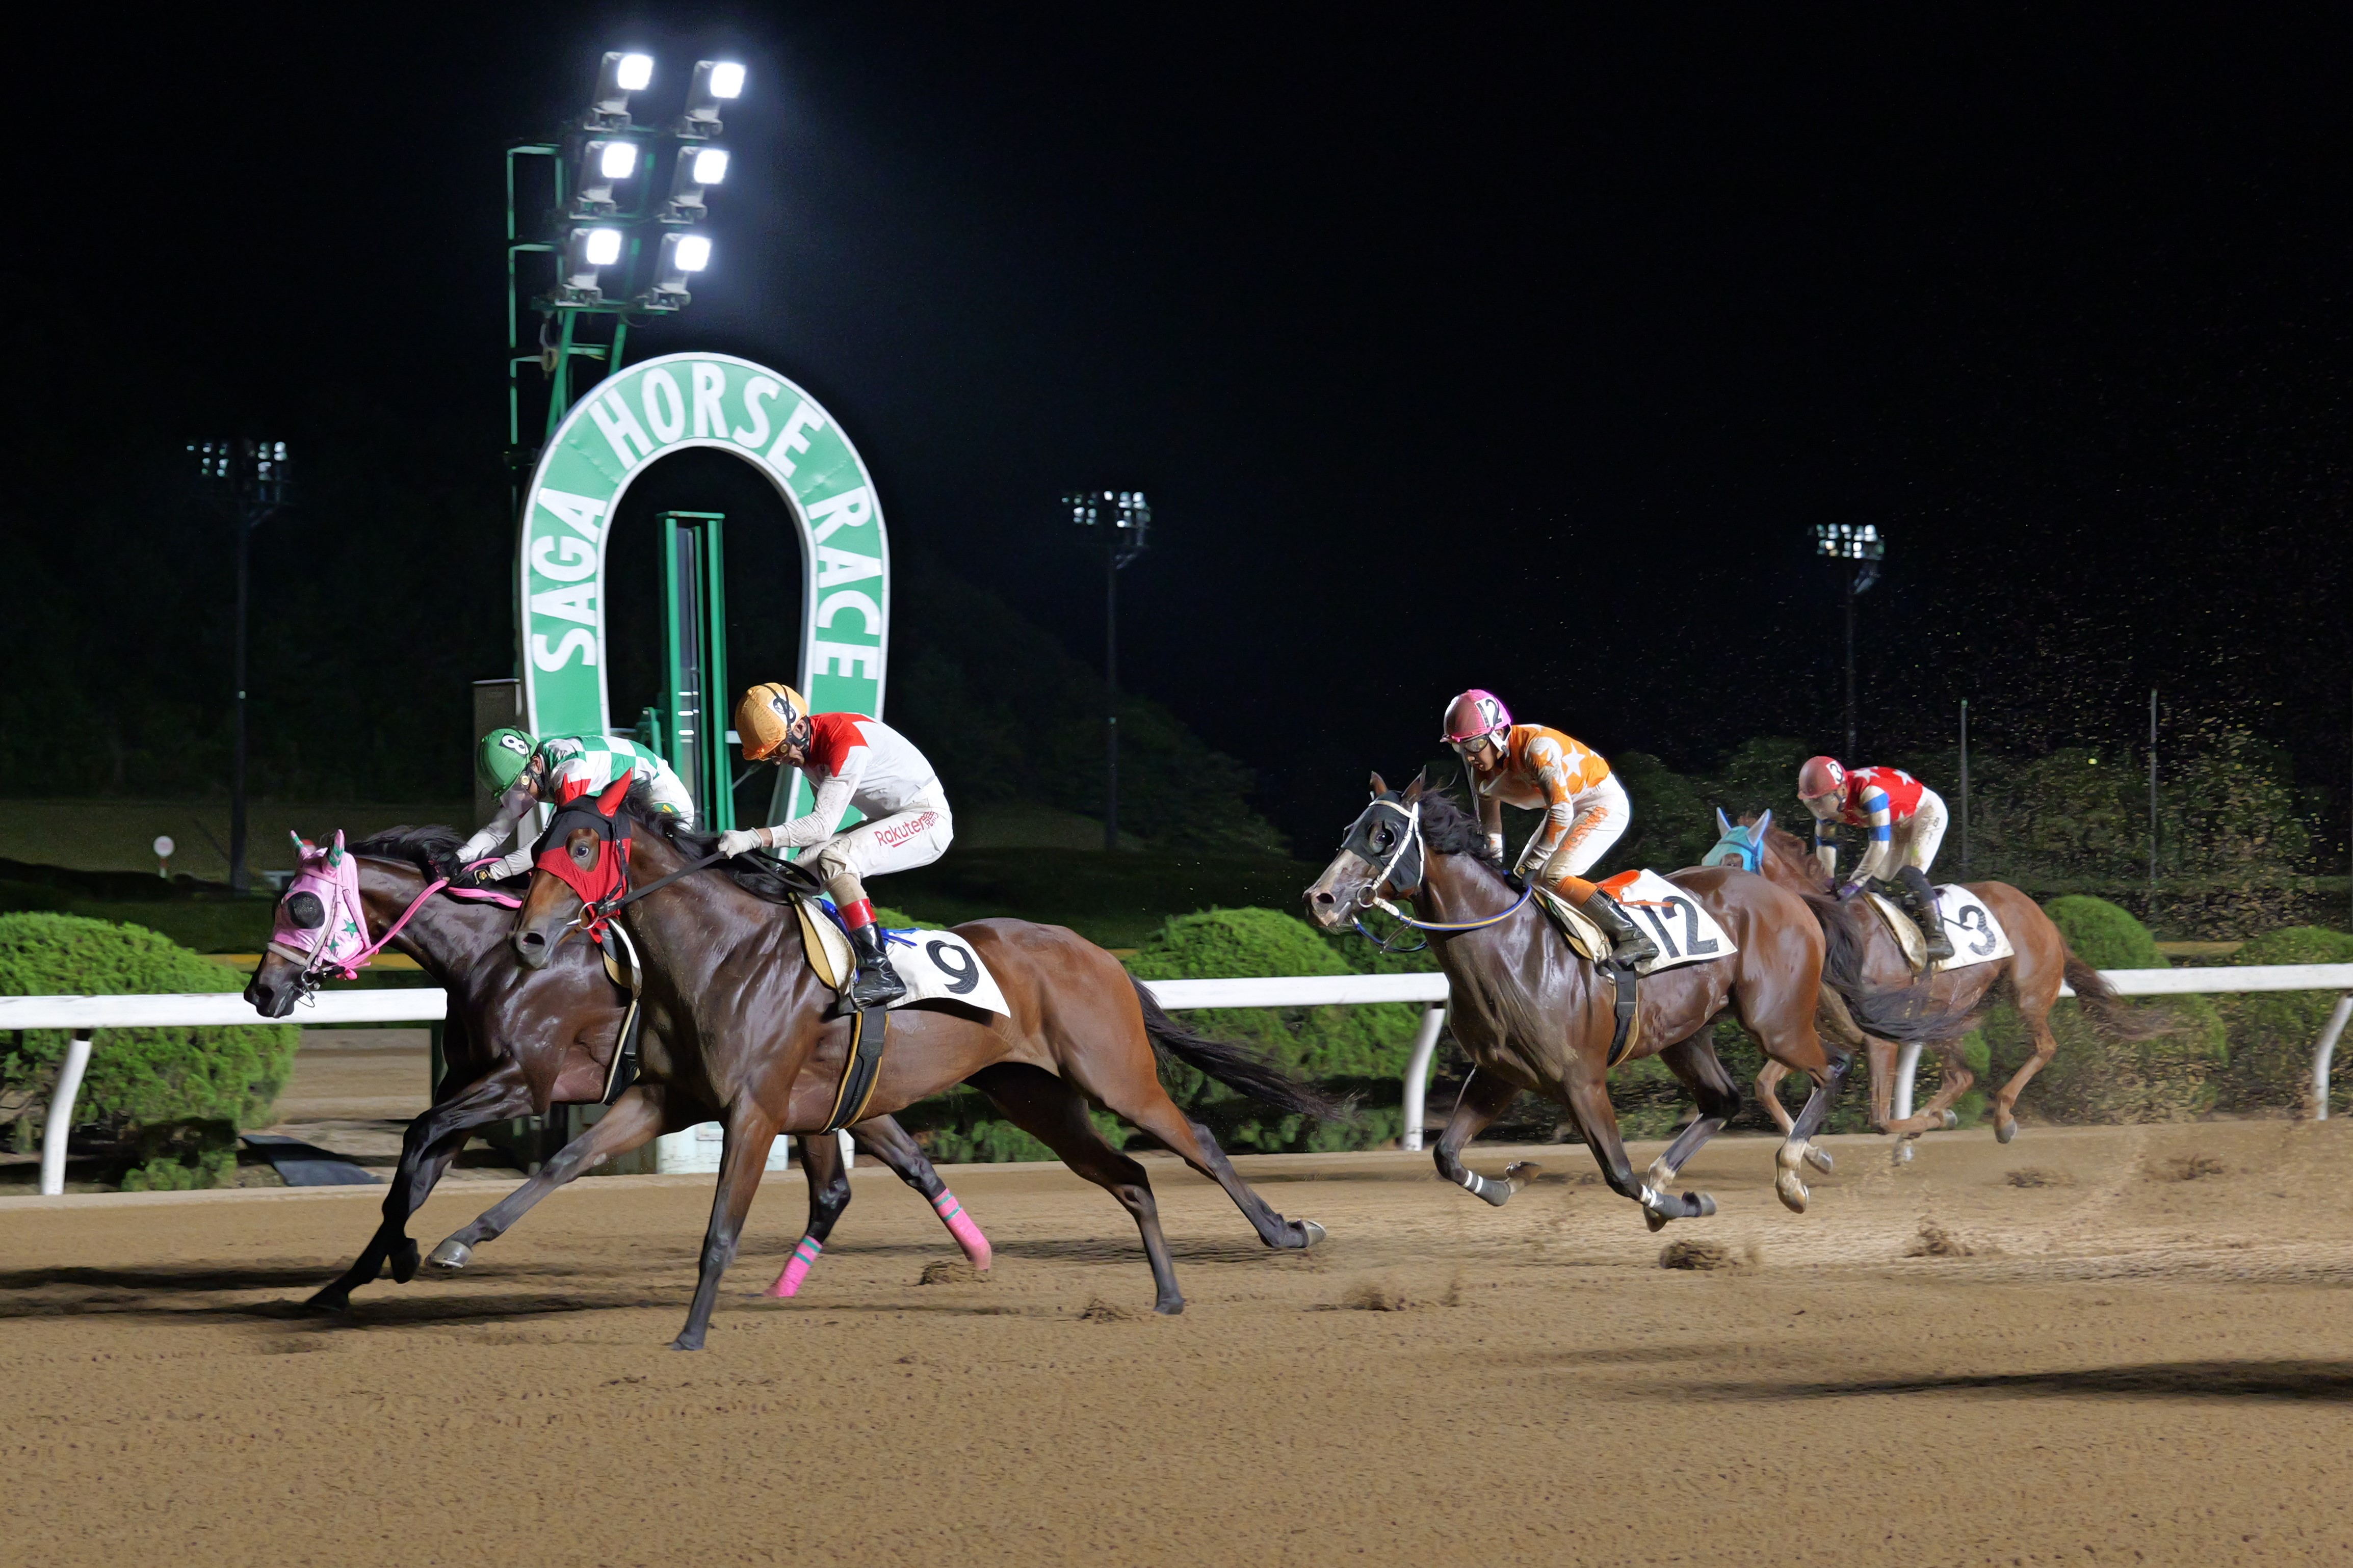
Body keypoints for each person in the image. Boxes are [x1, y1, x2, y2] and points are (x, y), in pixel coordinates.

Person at [717, 683, 953, 1009]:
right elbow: (816, 835)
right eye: (770, 756)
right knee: (793, 876)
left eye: (779, 750)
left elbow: (821, 826)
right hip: (893, 816)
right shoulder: (807, 749)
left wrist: (753, 838)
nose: (778, 761)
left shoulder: (843, 742)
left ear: (799, 728)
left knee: (835, 859)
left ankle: (880, 971)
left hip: (927, 818)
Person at [1441, 689, 1657, 965]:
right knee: (1528, 885)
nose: (1469, 756)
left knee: (1553, 875)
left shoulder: (1536, 747)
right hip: (1565, 808)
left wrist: (1529, 866)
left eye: (1474, 744)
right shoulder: (1479, 772)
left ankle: (1634, 937)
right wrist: (1492, 872)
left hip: (1601, 802)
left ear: (1498, 733)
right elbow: (1491, 827)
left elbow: (1562, 812)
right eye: (1460, 747)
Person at [457, 728, 694, 882]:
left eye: (521, 787)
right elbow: (495, 831)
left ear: (536, 765)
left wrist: (493, 872)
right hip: (631, 799)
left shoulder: (571, 769)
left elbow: (551, 842)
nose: (519, 798)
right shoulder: (535, 768)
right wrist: (458, 859)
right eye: (511, 792)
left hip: (662, 799)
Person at [1795, 755, 1954, 963]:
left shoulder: (1871, 793)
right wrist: (1828, 884)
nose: (1820, 809)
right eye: (1813, 803)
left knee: (1910, 872)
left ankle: (1939, 936)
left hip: (1926, 813)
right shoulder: (1833, 801)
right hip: (1897, 822)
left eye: (1823, 801)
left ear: (1842, 790)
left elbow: (1879, 845)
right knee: (1879, 879)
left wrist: (1854, 883)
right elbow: (1826, 848)